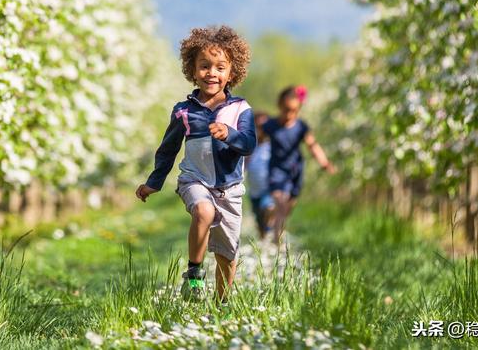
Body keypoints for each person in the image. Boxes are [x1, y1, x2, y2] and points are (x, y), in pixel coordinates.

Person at [135, 25, 256, 303]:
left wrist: (230, 134)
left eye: (219, 67)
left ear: (231, 72)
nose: (211, 73)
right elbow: (168, 150)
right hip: (195, 181)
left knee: (227, 253)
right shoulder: (184, 111)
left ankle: (222, 304)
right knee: (204, 211)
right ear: (192, 69)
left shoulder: (240, 109)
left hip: (230, 188)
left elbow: (249, 144)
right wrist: (153, 183)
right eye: (204, 66)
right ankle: (194, 274)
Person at [262, 85, 336, 244]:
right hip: (276, 170)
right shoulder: (271, 125)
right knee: (281, 203)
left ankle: (270, 213)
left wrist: (324, 162)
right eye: (286, 109)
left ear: (299, 109)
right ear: (280, 106)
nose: (289, 114)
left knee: (287, 208)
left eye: (294, 111)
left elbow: (312, 145)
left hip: (295, 171)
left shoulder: (301, 127)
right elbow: (256, 141)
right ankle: (277, 244)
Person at [245, 112, 275, 239]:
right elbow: (244, 164)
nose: (261, 130)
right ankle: (263, 241)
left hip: (269, 188)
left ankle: (272, 229)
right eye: (258, 126)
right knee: (259, 221)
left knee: (268, 207)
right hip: (254, 190)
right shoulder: (251, 146)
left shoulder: (272, 146)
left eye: (264, 126)